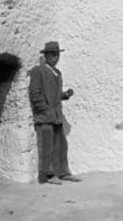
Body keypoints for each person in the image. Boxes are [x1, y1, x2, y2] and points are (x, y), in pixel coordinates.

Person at [29, 41, 81, 185]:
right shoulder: (38, 71)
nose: (55, 57)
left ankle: (63, 173)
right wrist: (46, 109)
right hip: (45, 117)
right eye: (52, 54)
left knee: (61, 146)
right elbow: (35, 94)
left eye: (57, 54)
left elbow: (55, 95)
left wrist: (65, 95)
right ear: (45, 55)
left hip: (56, 117)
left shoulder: (57, 72)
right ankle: (49, 176)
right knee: (47, 147)